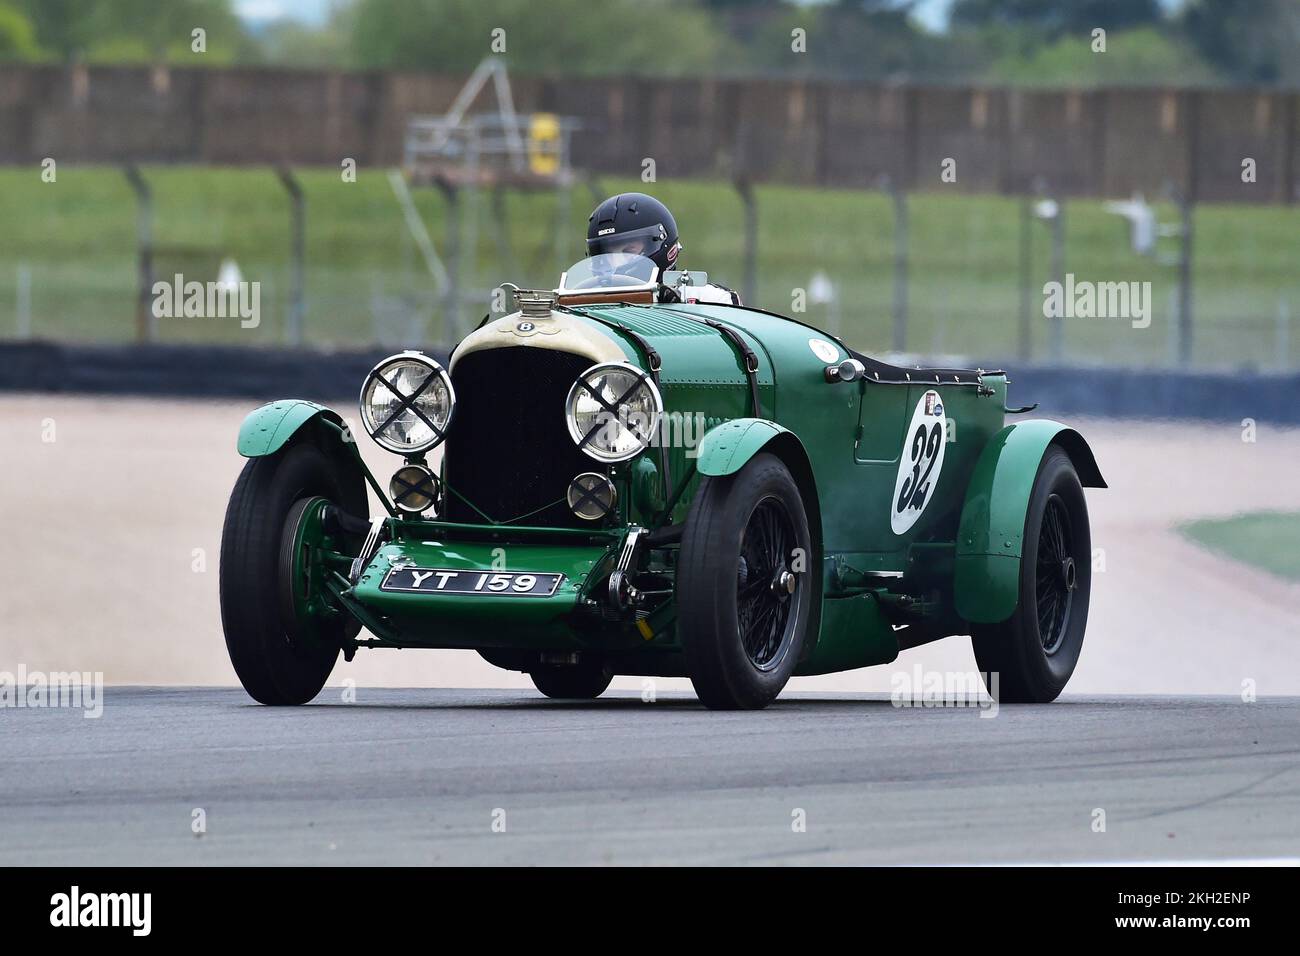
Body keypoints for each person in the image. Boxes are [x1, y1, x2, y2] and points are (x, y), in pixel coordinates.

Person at [585, 192, 741, 305]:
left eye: (628, 251)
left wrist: (676, 310)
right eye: (606, 255)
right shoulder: (583, 305)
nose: (615, 264)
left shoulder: (709, 300)